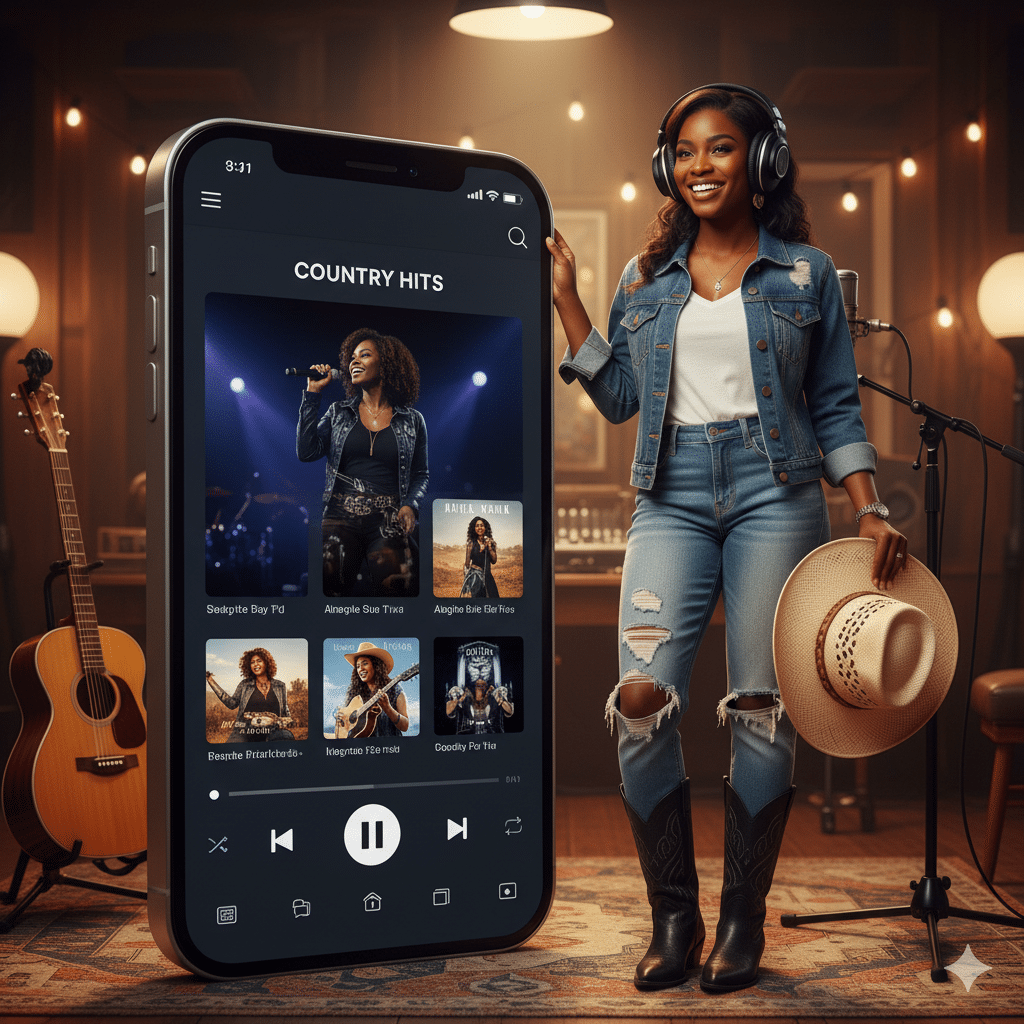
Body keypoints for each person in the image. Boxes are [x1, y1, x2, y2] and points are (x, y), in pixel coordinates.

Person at [546, 84, 908, 994]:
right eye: (684, 151)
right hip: (668, 493)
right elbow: (621, 400)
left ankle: (742, 923)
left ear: (762, 161)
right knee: (639, 701)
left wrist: (868, 505)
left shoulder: (806, 274)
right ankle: (675, 916)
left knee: (762, 708)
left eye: (720, 147)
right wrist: (570, 304)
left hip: (775, 492)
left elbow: (835, 405)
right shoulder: (644, 280)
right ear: (666, 167)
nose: (700, 166)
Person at [297, 327, 428, 596]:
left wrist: (410, 505)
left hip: (388, 517)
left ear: (386, 364)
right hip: (340, 515)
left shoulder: (413, 420)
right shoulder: (338, 412)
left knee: (397, 594)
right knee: (330, 595)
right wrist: (312, 394)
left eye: (364, 355)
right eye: (352, 357)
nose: (354, 362)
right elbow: (306, 452)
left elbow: (420, 474)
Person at [207, 647, 294, 742]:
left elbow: (285, 711)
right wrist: (211, 681)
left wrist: (288, 721)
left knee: (285, 738)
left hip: (274, 731)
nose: (255, 664)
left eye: (259, 661)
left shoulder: (280, 686)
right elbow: (231, 704)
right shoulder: (244, 685)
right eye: (252, 662)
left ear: (266, 663)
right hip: (245, 731)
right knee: (233, 746)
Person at [335, 641, 410, 738]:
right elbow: (346, 720)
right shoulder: (354, 694)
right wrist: (340, 717)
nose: (361, 669)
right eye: (358, 666)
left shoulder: (395, 690)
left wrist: (388, 709)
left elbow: (405, 726)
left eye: (365, 663)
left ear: (376, 665)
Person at [445, 641, 514, 734]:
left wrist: (502, 700)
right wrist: (456, 700)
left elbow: (510, 711)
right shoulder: (464, 696)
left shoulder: (494, 696)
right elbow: (448, 711)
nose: (480, 681)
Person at [461, 516, 499, 598]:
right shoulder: (471, 544)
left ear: (485, 528)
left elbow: (494, 561)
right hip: (475, 578)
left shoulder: (491, 542)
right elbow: (467, 564)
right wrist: (468, 581)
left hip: (488, 578)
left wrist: (489, 547)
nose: (479, 528)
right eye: (477, 526)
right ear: (474, 528)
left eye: (481, 525)